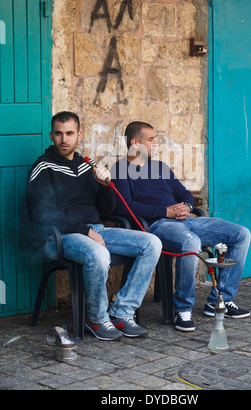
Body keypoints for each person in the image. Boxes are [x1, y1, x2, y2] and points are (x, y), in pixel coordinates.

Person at [27, 112, 162, 341]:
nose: (64, 139)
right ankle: (96, 319)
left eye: (69, 133)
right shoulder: (43, 168)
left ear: (79, 135)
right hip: (60, 236)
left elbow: (105, 209)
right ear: (51, 135)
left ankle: (121, 313)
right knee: (98, 254)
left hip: (95, 230)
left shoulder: (86, 165)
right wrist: (85, 231)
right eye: (59, 134)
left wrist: (105, 186)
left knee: (151, 243)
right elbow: (43, 214)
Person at [110, 121, 251, 332]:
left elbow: (184, 193)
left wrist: (187, 205)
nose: (156, 143)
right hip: (157, 225)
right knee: (190, 242)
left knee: (241, 234)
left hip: (188, 220)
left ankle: (219, 299)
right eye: (151, 139)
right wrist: (165, 212)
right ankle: (182, 308)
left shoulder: (159, 167)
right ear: (135, 142)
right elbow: (124, 207)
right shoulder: (120, 169)